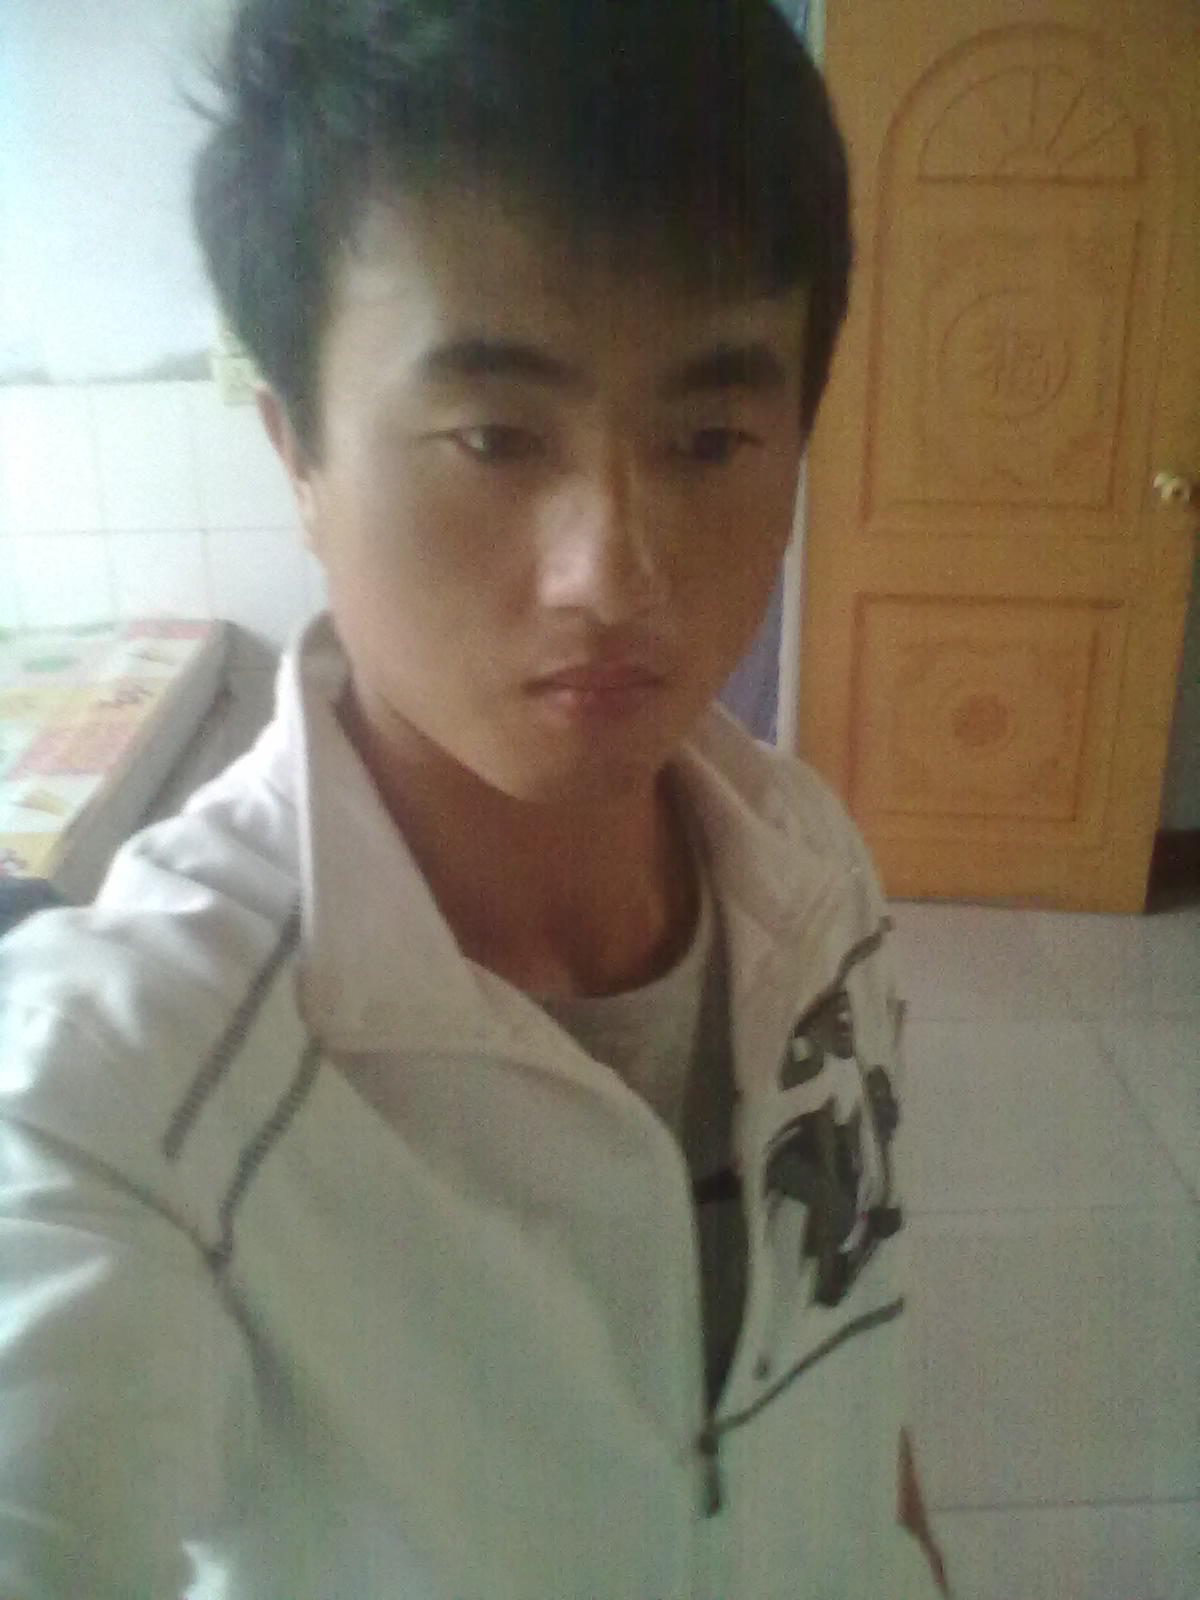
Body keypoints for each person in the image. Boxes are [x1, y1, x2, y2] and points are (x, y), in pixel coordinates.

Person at [0, 1, 952, 1595]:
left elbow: (850, 1342)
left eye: (712, 436)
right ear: (297, 453)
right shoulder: (133, 1081)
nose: (615, 574)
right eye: (496, 437)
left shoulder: (811, 871)